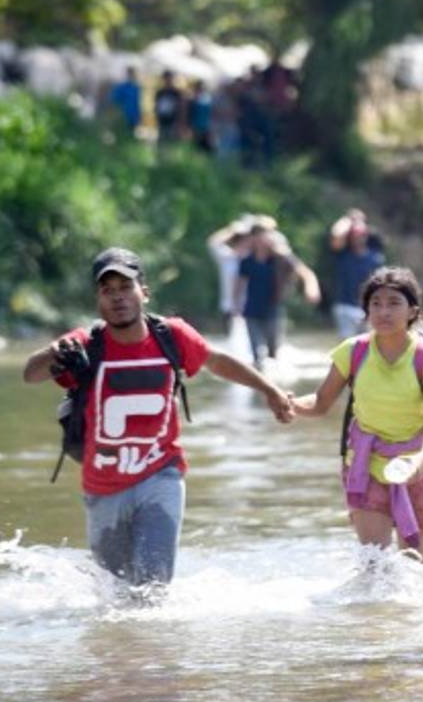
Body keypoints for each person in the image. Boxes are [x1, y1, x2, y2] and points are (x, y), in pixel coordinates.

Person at [21, 248, 293, 590]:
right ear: (98, 300)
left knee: (152, 588)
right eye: (108, 290)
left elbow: (216, 361)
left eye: (126, 287)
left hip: (160, 474)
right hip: (103, 485)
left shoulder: (171, 336)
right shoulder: (84, 344)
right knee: (115, 591)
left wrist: (269, 389)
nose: (118, 297)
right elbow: (30, 374)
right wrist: (55, 355)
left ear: (144, 293)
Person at [291, 267, 423, 561]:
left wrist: (420, 458)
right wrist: (291, 405)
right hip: (366, 464)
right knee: (374, 564)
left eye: (394, 303)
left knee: (414, 564)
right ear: (366, 311)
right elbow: (321, 402)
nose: (383, 312)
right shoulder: (353, 352)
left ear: (412, 311)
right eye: (376, 304)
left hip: (417, 466)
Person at [234, 222, 322, 367]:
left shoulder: (281, 258)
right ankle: (258, 374)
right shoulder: (247, 261)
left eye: (265, 235)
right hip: (251, 310)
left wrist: (311, 289)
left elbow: (306, 273)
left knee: (273, 352)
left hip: (273, 308)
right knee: (256, 353)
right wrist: (235, 304)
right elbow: (239, 284)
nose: (262, 239)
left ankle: (272, 376)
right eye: (258, 236)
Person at [328, 210, 386, 339]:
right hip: (345, 307)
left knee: (368, 346)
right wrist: (348, 220)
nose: (358, 238)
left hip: (368, 308)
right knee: (347, 346)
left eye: (361, 235)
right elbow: (336, 233)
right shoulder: (342, 254)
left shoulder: (375, 257)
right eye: (354, 235)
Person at [206, 216, 255, 333]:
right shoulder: (227, 257)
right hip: (230, 308)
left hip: (252, 308)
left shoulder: (255, 258)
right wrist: (232, 230)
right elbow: (213, 243)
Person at [153, 70, 184, 144]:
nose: (168, 80)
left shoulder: (176, 93)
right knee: (162, 139)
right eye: (166, 78)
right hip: (162, 119)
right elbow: (156, 105)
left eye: (169, 78)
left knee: (171, 140)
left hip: (173, 120)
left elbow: (180, 107)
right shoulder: (160, 92)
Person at [109, 67, 141, 136]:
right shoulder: (120, 87)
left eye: (133, 74)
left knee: (130, 134)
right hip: (122, 116)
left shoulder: (136, 88)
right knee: (121, 134)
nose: (131, 76)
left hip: (132, 117)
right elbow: (114, 100)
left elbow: (137, 103)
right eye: (130, 74)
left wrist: (138, 117)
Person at [188, 80, 214, 153]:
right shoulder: (192, 100)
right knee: (196, 147)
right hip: (195, 127)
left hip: (206, 127)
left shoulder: (208, 99)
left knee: (207, 147)